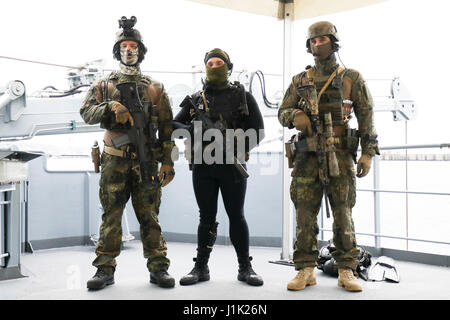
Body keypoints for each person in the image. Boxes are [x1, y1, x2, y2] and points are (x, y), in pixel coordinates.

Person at [278, 21, 379, 292]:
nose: (317, 44)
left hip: (341, 154)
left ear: (333, 42)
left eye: (323, 40)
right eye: (313, 40)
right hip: (306, 155)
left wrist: (368, 154)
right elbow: (282, 111)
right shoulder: (300, 80)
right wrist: (295, 116)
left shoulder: (351, 78)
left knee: (343, 213)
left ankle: (347, 269)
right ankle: (305, 269)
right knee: (304, 214)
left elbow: (367, 116)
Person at [80, 16, 176, 290]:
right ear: (118, 50)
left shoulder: (155, 88)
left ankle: (158, 268)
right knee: (111, 216)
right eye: (124, 45)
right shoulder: (103, 85)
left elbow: (168, 127)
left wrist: (168, 161)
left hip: (146, 160)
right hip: (114, 160)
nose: (129, 49)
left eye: (134, 45)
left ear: (140, 51)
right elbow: (86, 112)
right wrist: (111, 107)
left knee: (150, 216)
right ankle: (104, 269)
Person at [173, 48, 265, 286]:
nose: (215, 67)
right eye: (210, 63)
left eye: (219, 63)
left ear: (228, 66)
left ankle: (245, 267)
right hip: (204, 167)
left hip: (232, 166)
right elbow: (174, 126)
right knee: (206, 218)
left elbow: (258, 130)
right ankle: (201, 268)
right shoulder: (195, 99)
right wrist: (193, 129)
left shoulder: (242, 96)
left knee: (237, 216)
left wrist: (237, 145)